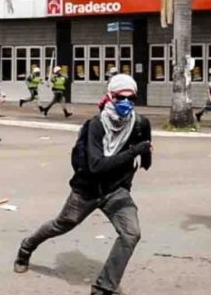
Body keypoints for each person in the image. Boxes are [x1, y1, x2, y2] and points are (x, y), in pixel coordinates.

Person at [14, 74, 152, 295]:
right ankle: (26, 247)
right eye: (120, 97)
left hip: (116, 191)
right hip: (87, 191)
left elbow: (145, 159)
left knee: (131, 234)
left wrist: (141, 158)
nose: (125, 102)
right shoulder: (96, 125)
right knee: (62, 224)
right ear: (110, 96)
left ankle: (103, 288)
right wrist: (134, 152)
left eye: (130, 97)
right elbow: (96, 165)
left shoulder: (140, 123)